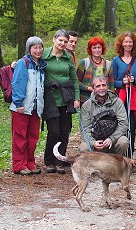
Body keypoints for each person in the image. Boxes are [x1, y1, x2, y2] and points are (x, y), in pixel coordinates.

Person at [42, 29, 80, 174]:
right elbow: (29, 60)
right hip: (50, 98)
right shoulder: (44, 55)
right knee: (54, 131)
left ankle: (60, 160)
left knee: (64, 131)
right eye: (60, 41)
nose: (63, 44)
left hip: (66, 97)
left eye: (65, 41)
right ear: (54, 39)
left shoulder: (68, 57)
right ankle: (49, 160)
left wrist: (76, 98)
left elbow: (74, 78)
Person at [9, 36, 47, 175]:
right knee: (20, 137)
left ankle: (30, 163)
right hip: (22, 107)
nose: (38, 50)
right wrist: (18, 102)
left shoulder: (42, 65)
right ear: (29, 49)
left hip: (36, 108)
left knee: (32, 137)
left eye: (40, 47)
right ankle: (19, 165)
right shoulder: (23, 63)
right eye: (35, 47)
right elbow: (18, 83)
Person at [112, 32, 136, 156]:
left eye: (130, 42)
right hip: (121, 97)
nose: (128, 44)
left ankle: (130, 155)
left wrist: (134, 80)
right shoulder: (116, 60)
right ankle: (120, 154)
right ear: (121, 43)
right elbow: (112, 81)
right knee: (121, 124)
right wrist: (123, 82)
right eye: (126, 42)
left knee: (131, 126)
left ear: (134, 43)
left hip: (134, 96)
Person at [79, 77, 130, 156]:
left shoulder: (117, 102)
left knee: (123, 141)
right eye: (98, 86)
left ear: (107, 86)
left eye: (104, 85)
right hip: (95, 141)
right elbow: (85, 128)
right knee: (84, 147)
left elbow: (123, 123)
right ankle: (93, 166)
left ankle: (117, 164)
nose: (101, 88)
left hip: (113, 140)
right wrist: (93, 143)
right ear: (93, 88)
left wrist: (111, 139)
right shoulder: (86, 105)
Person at [77, 37, 112, 104]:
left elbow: (111, 83)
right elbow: (76, 82)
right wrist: (88, 88)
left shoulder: (108, 64)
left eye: (99, 47)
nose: (97, 50)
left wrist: (111, 98)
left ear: (102, 48)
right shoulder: (84, 63)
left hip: (104, 101)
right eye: (94, 48)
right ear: (90, 49)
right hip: (86, 100)